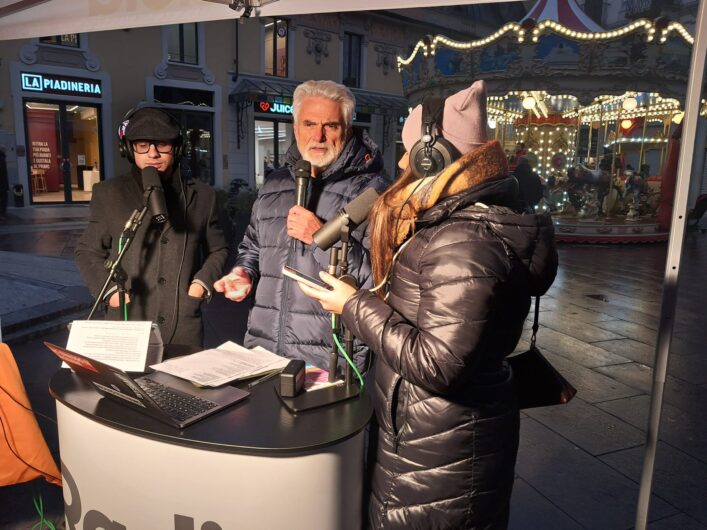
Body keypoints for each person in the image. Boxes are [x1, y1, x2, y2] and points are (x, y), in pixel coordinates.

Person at [295, 80, 558, 529]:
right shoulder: (459, 225)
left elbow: (439, 365)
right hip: (434, 438)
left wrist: (353, 305)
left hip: (440, 447)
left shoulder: (462, 242)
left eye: (409, 151)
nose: (401, 163)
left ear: (433, 155)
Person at [214, 80, 389, 372]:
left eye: (330, 126)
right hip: (263, 349)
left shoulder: (372, 193)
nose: (318, 136)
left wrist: (320, 236)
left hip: (329, 358)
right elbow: (253, 246)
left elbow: (380, 281)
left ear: (347, 129)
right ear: (295, 128)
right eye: (309, 124)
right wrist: (243, 272)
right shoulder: (275, 183)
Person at [75, 107, 228, 348]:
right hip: (127, 324)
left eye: (162, 145)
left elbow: (219, 249)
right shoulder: (108, 193)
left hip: (183, 329)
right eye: (143, 145)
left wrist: (200, 285)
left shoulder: (203, 197)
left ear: (176, 148)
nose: (153, 153)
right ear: (128, 148)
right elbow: (88, 250)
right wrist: (110, 293)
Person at [0, 146, 8, 220]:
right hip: (2, 184)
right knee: (3, 199)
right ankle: (2, 214)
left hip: (2, 184)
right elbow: (3, 173)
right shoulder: (2, 159)